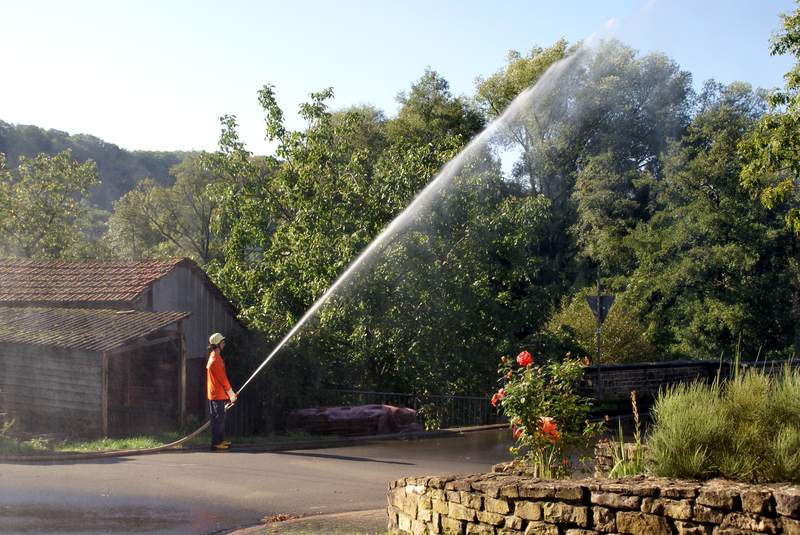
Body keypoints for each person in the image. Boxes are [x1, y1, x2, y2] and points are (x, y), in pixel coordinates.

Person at [206, 332, 237, 450]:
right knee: (219, 419)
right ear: (218, 344)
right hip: (217, 394)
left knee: (218, 418)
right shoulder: (215, 360)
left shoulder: (214, 357)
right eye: (222, 342)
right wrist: (231, 393)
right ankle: (216, 443)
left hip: (215, 393)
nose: (224, 343)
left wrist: (229, 394)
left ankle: (219, 441)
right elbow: (223, 379)